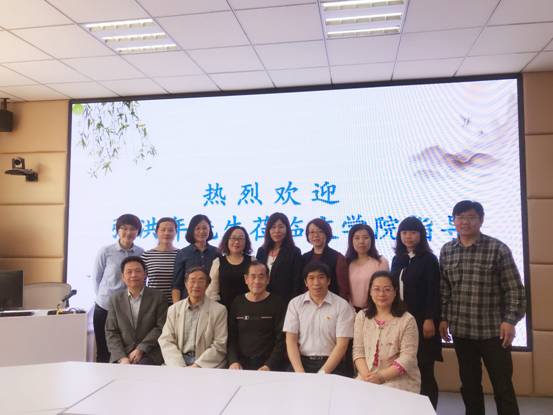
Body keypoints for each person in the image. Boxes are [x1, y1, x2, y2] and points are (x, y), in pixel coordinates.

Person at [439, 200, 526, 415]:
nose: (465, 222)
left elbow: (515, 289)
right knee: (469, 386)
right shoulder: (447, 250)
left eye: (471, 217)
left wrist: (510, 320)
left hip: (493, 332)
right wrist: (443, 318)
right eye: (460, 218)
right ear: (453, 221)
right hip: (462, 332)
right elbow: (444, 290)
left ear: (481, 220)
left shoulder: (497, 249)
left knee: (502, 386)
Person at [391, 216, 442, 408]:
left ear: (421, 235)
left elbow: (433, 292)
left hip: (422, 321)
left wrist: (430, 318)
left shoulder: (429, 260)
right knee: (403, 368)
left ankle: (429, 409)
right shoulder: (398, 259)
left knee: (424, 369)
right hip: (400, 321)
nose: (408, 237)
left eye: (413, 232)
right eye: (404, 233)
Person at [353, 271, 421, 393]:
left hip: (398, 379)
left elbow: (408, 357)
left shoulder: (407, 320)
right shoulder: (362, 316)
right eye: (376, 289)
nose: (381, 294)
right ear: (370, 291)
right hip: (367, 376)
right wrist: (367, 377)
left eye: (387, 289)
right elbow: (358, 352)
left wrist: (381, 377)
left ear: (395, 292)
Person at [283, 261, 355, 376]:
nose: (316, 283)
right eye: (311, 278)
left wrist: (322, 373)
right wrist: (300, 372)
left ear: (329, 281)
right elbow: (291, 340)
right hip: (302, 363)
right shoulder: (295, 304)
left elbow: (342, 344)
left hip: (332, 364)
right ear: (305, 282)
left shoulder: (342, 305)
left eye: (321, 277)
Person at [93, 213, 144, 363]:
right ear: (117, 230)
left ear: (138, 231)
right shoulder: (106, 251)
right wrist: (103, 298)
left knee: (123, 351)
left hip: (128, 310)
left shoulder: (141, 253)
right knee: (103, 351)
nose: (128, 232)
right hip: (105, 307)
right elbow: (96, 278)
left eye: (133, 229)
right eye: (124, 228)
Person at [159, 266, 227, 368]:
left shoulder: (219, 310)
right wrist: (179, 366)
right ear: (186, 284)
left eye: (201, 281)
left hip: (205, 363)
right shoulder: (174, 309)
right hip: (178, 361)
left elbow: (219, 344)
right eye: (192, 281)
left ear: (207, 285)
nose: (196, 285)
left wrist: (197, 366)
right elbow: (166, 340)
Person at [105, 256, 168, 365]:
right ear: (123, 277)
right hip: (123, 352)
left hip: (149, 352)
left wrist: (141, 349)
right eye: (129, 272)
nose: (133, 275)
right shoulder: (115, 299)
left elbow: (160, 327)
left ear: (145, 274)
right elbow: (111, 331)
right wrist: (122, 357)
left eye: (138, 271)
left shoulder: (158, 297)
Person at [227, 261, 286, 371]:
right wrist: (233, 361)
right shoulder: (237, 302)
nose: (257, 281)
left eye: (261, 277)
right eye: (253, 276)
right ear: (246, 279)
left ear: (268, 279)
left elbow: (282, 340)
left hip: (269, 366)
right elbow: (231, 337)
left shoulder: (278, 303)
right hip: (240, 365)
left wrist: (269, 365)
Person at [256, 212, 302, 303]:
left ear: (287, 229)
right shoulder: (262, 251)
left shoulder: (294, 252)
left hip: (284, 301)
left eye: (281, 227)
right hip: (262, 299)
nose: (277, 231)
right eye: (273, 227)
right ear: (268, 230)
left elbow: (296, 282)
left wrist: (293, 303)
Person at [172, 214, 219, 304]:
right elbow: (177, 285)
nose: (201, 231)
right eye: (197, 228)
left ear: (209, 230)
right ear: (191, 231)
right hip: (188, 303)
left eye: (205, 228)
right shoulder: (183, 253)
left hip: (212, 302)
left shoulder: (217, 253)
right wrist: (177, 307)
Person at [206, 226, 254, 309]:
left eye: (241, 238)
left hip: (247, 309)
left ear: (246, 242)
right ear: (227, 240)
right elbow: (212, 291)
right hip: (223, 310)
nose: (236, 241)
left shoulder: (252, 261)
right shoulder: (218, 262)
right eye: (233, 238)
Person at [302, 218, 349, 299]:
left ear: (327, 234)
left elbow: (343, 288)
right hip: (308, 302)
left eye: (320, 231)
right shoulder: (304, 258)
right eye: (312, 232)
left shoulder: (338, 257)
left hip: (332, 302)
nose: (316, 235)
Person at [346, 224, 389, 310]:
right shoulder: (346, 262)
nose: (361, 241)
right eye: (357, 238)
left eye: (365, 238)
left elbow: (386, 288)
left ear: (372, 240)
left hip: (375, 309)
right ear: (351, 241)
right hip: (350, 310)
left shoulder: (381, 262)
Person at [142, 217, 178, 304]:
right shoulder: (147, 255)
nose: (167, 233)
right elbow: (141, 283)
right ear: (156, 232)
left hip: (176, 304)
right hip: (153, 303)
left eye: (170, 230)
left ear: (176, 232)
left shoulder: (181, 254)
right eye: (163, 230)